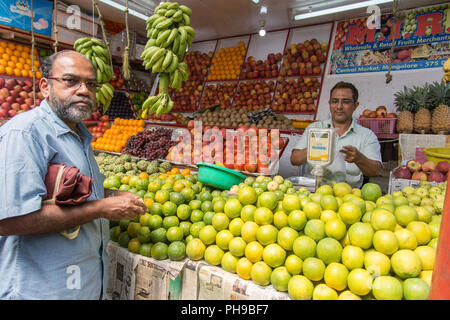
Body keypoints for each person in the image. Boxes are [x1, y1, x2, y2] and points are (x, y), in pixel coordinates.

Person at [0, 50, 147, 300]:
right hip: (40, 291)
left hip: (83, 287)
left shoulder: (80, 136)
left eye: (91, 84)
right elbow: (10, 220)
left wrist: (110, 194)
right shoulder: (26, 134)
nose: (83, 90)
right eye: (70, 81)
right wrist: (100, 207)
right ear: (45, 86)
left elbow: (72, 195)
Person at [290, 81, 382, 188]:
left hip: (347, 195)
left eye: (346, 101)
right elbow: (294, 160)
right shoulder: (315, 128)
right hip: (312, 192)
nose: (339, 106)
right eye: (334, 101)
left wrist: (358, 158)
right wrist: (313, 148)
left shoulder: (366, 135)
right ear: (329, 104)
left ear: (355, 105)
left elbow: (375, 171)